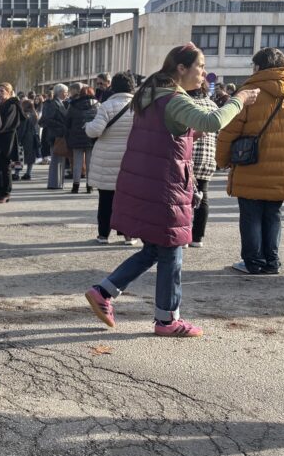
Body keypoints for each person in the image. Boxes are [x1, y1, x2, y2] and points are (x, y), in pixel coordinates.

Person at [85, 42, 259, 338]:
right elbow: (212, 120)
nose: (204, 73)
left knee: (158, 247)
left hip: (147, 181)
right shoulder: (172, 98)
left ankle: (105, 291)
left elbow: (173, 130)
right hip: (165, 184)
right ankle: (166, 319)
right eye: (200, 66)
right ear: (181, 68)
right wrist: (240, 98)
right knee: (172, 247)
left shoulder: (151, 94)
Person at [216, 47, 284, 274]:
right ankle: (271, 261)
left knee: (251, 215)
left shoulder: (249, 92)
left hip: (252, 165)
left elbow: (230, 131)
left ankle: (254, 262)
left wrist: (222, 160)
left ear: (258, 67)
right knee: (273, 214)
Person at [85, 71, 136, 245]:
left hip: (106, 157)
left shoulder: (106, 105)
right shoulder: (139, 107)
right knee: (128, 198)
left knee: (105, 199)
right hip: (130, 157)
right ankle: (128, 234)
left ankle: (103, 234)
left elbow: (95, 131)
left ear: (113, 86)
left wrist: (87, 126)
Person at [188, 83, 219, 248]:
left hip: (188, 156)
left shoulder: (185, 104)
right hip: (207, 157)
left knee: (184, 198)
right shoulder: (213, 105)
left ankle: (184, 234)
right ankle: (197, 237)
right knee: (203, 196)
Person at [0, 82, 21, 203]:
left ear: (8, 92)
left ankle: (6, 193)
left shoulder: (12, 105)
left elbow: (7, 123)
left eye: (2, 91)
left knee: (5, 167)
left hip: (6, 139)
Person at [65, 86, 98, 194]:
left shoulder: (73, 105)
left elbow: (67, 121)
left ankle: (75, 186)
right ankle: (89, 186)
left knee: (77, 162)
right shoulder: (98, 105)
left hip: (76, 137)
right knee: (90, 163)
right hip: (91, 137)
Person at [40, 83, 69, 189]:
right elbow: (48, 119)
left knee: (60, 159)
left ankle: (58, 183)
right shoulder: (53, 104)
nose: (67, 94)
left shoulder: (60, 103)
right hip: (55, 135)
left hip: (59, 134)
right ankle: (54, 183)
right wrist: (62, 126)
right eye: (65, 92)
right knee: (56, 160)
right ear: (60, 93)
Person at [17, 99, 40, 181]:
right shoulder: (34, 114)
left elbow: (22, 129)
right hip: (33, 137)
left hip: (25, 138)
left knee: (20, 156)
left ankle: (17, 173)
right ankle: (28, 173)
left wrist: (18, 139)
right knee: (30, 157)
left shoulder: (24, 115)